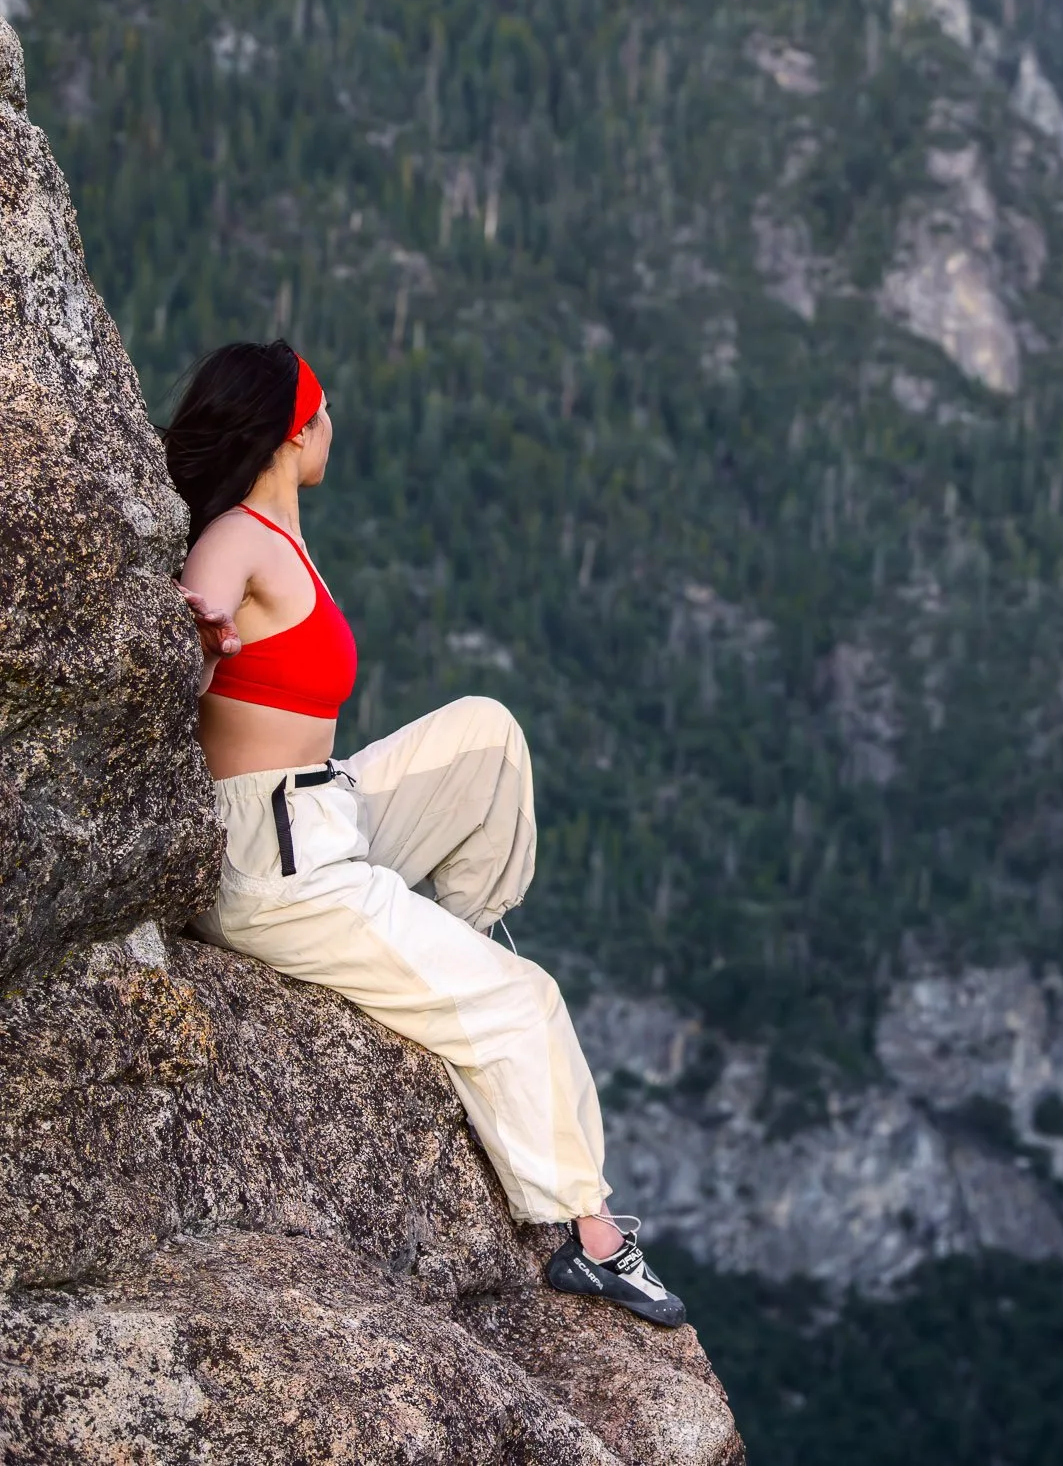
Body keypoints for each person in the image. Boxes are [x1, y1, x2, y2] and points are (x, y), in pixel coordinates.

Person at [163, 338, 686, 1329]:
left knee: (485, 733)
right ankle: (595, 1240)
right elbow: (201, 604)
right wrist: (200, 628)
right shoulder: (235, 535)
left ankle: (453, 948)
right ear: (290, 432)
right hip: (273, 864)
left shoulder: (285, 527)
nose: (333, 427)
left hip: (318, 810)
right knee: (528, 1005)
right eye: (320, 414)